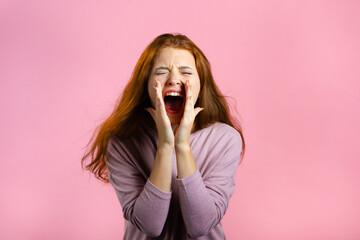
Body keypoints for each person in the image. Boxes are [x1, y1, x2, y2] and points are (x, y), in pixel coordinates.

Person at [81, 33, 246, 239]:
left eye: (185, 72)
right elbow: (150, 225)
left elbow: (200, 225)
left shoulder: (225, 139)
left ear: (201, 84)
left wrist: (183, 146)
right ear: (146, 84)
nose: (174, 79)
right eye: (161, 72)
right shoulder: (122, 141)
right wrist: (166, 145)